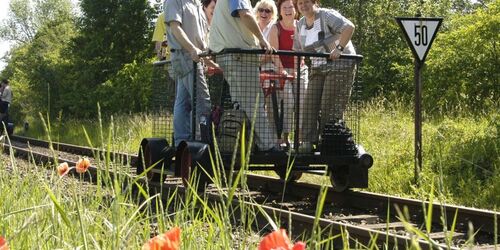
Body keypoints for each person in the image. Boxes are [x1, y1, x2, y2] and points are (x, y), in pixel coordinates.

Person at [208, 0, 279, 151]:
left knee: (240, 104)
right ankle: (268, 146)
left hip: (229, 55)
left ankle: (244, 144)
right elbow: (245, 14)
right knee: (254, 103)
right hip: (239, 56)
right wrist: (262, 39)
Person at [292, 0, 356, 152]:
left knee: (329, 104)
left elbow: (349, 27)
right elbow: (298, 48)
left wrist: (339, 48)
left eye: (306, 1)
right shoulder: (300, 24)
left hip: (340, 65)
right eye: (299, 3)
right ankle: (307, 142)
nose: (303, 5)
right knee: (309, 104)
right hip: (318, 67)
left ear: (314, 2)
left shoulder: (326, 15)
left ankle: (328, 142)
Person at [164, 0, 212, 146]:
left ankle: (182, 142)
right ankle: (200, 142)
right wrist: (192, 49)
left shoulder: (196, 3)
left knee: (183, 101)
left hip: (196, 57)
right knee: (203, 101)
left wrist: (208, 60)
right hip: (185, 56)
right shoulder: (174, 1)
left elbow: (202, 35)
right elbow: (175, 28)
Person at [268, 0, 308, 147]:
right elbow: (274, 53)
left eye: (290, 7)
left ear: (295, 9)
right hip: (281, 69)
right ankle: (285, 137)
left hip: (299, 68)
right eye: (284, 7)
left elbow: (303, 50)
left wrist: (297, 69)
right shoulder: (275, 28)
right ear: (279, 11)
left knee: (303, 100)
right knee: (288, 100)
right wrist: (282, 70)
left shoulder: (301, 25)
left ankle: (301, 136)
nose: (288, 10)